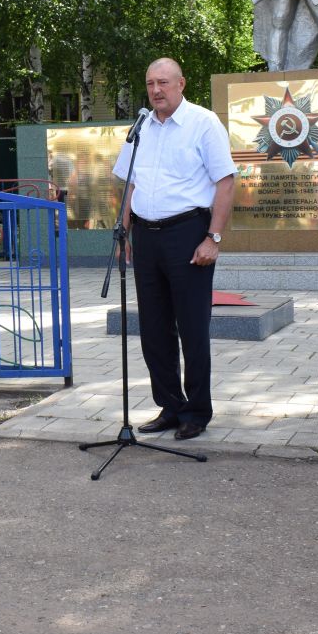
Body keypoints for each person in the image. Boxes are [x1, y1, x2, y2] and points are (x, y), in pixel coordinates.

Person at [111, 59, 235, 441]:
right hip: (146, 237)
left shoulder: (203, 123)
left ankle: (197, 411)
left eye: (163, 82)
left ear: (181, 83)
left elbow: (226, 182)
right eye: (149, 83)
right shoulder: (142, 127)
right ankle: (170, 405)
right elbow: (130, 184)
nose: (155, 90)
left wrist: (212, 238)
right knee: (153, 327)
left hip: (188, 233)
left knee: (192, 327)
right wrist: (124, 233)